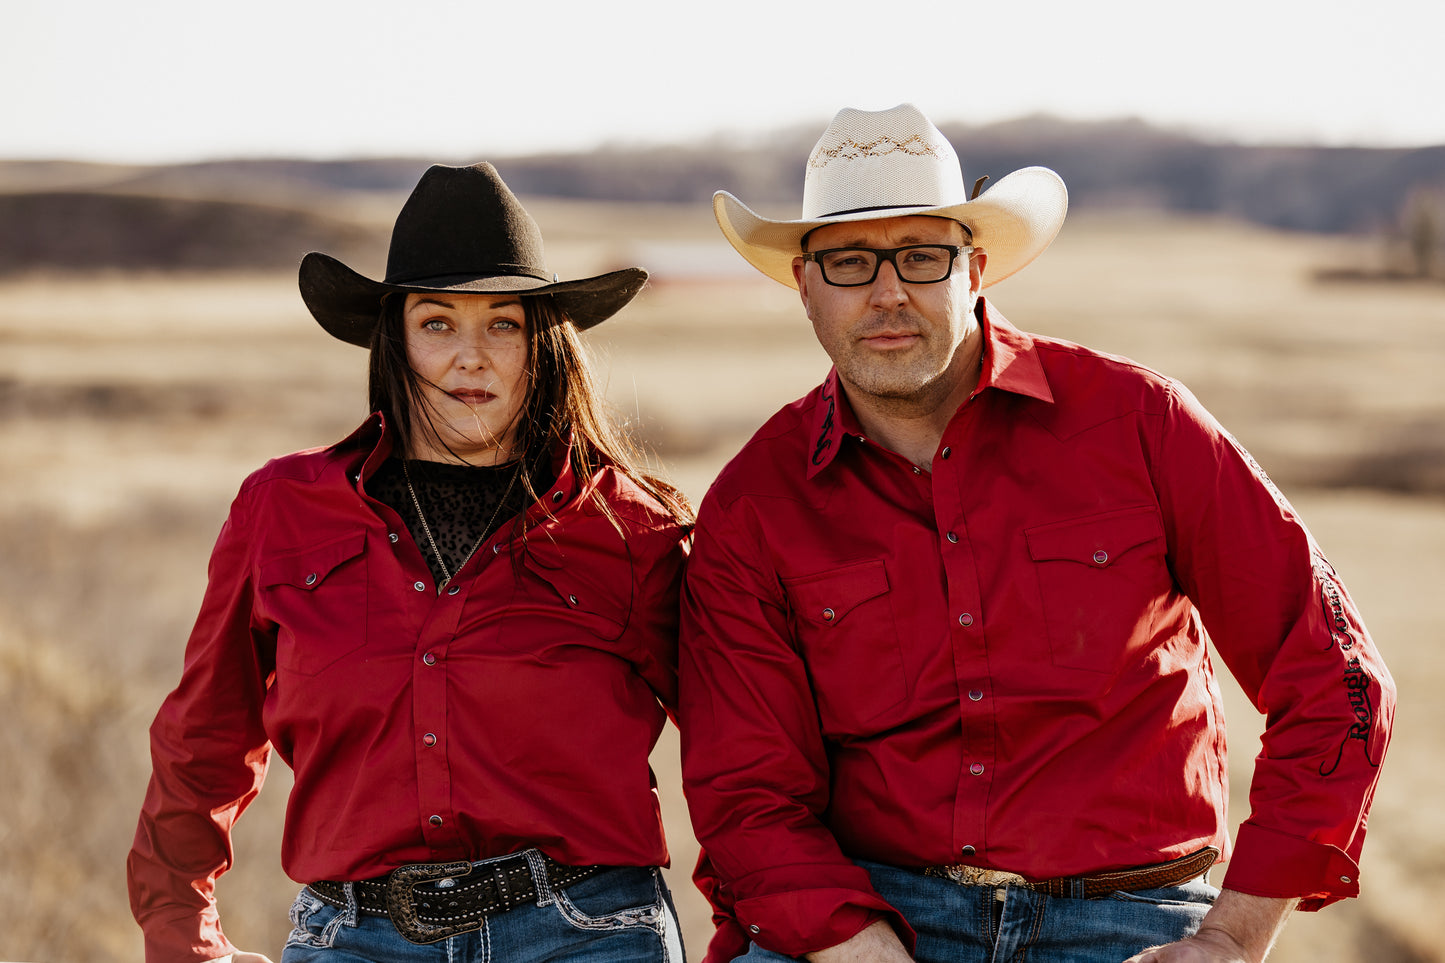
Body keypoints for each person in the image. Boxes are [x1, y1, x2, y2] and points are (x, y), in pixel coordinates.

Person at [677, 104, 1395, 963]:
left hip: (1129, 915)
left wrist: (1231, 939)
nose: (886, 292)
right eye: (848, 262)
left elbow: (1335, 676)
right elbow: (746, 791)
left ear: (974, 269)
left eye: (920, 256)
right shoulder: (756, 502)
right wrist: (859, 949)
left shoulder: (1138, 424)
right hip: (874, 915)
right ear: (803, 284)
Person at [128, 162, 691, 963]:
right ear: (393, 339)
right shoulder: (283, 507)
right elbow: (202, 739)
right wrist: (183, 934)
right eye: (437, 323)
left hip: (585, 935)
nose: (472, 356)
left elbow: (744, 755)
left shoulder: (629, 528)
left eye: (504, 323)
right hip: (352, 938)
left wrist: (760, 932)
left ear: (544, 344)